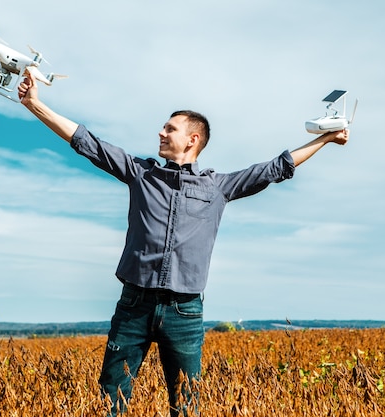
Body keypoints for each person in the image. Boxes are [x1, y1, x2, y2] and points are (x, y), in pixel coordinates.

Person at [18, 73, 348, 416]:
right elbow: (88, 142)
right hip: (134, 306)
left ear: (192, 139)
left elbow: (277, 167)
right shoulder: (140, 174)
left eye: (169, 128)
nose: (161, 133)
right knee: (109, 403)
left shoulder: (218, 187)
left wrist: (325, 138)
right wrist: (35, 104)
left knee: (186, 408)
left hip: (185, 312)